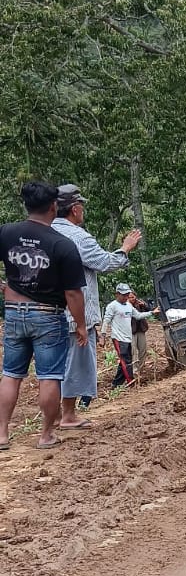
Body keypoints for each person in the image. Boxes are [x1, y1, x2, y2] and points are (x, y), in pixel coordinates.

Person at [0, 181, 87, 450]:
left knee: (11, 374)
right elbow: (73, 293)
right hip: (48, 316)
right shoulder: (62, 244)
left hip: (14, 313)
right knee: (49, 376)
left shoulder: (6, 232)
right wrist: (81, 325)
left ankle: (1, 434)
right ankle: (46, 435)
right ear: (53, 207)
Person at [52, 183, 141, 427]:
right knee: (76, 363)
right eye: (81, 207)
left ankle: (53, 419)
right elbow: (104, 262)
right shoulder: (77, 237)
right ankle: (68, 414)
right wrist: (125, 249)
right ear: (75, 209)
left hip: (48, 314)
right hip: (75, 314)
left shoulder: (45, 232)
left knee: (53, 366)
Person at [101, 283, 156, 388]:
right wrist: (102, 335)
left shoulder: (128, 306)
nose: (126, 297)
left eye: (127, 294)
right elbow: (106, 320)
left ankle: (116, 384)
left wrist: (152, 313)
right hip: (118, 338)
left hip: (128, 337)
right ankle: (131, 382)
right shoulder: (112, 306)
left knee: (125, 361)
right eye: (124, 295)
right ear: (117, 294)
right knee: (126, 361)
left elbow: (138, 315)